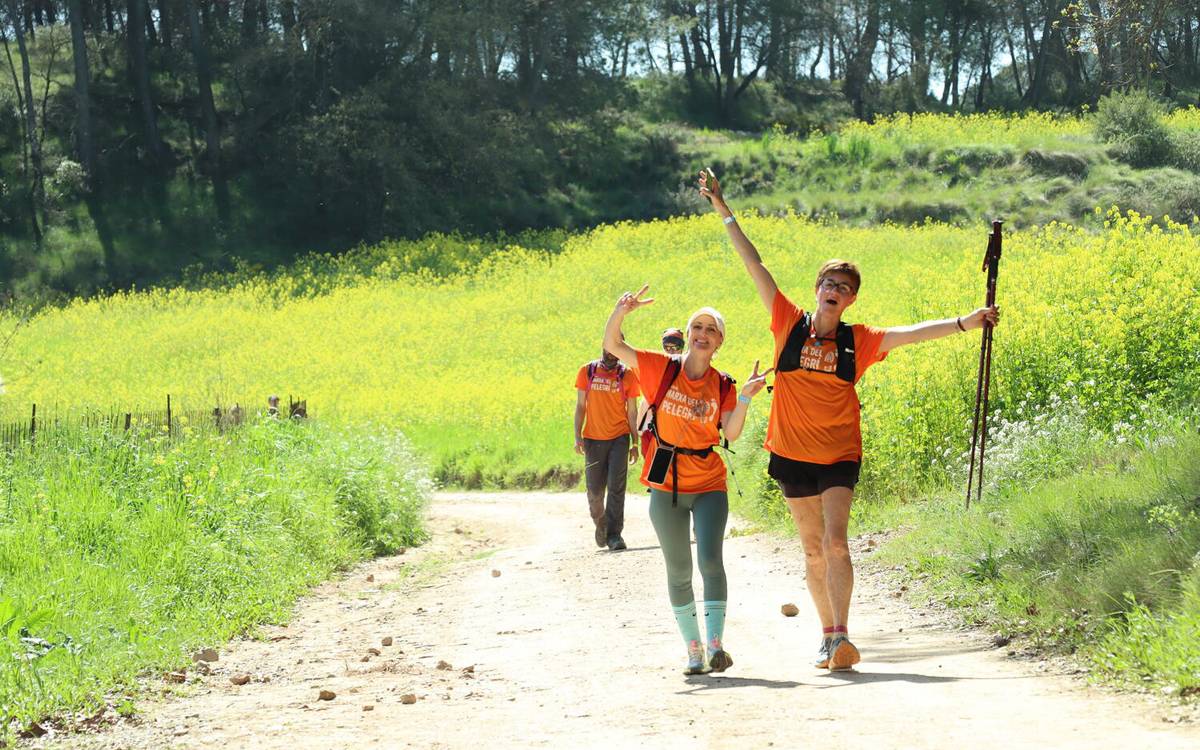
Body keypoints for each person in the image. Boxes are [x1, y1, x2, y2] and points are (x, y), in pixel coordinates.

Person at [698, 169, 1001, 672]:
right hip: (791, 454)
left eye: (845, 287)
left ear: (851, 299)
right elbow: (754, 263)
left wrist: (967, 322)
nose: (835, 290)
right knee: (813, 550)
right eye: (830, 283)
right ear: (816, 289)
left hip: (839, 454)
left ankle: (841, 636)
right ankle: (826, 636)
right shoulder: (786, 322)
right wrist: (723, 209)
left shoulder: (857, 341)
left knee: (837, 542)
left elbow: (912, 334)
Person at [604, 286, 771, 675]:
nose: (702, 333)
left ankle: (716, 647)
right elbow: (612, 343)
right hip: (666, 486)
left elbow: (729, 433)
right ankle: (694, 651)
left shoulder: (724, 384)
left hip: (709, 483)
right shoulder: (660, 367)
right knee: (678, 570)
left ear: (719, 341)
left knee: (711, 562)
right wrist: (621, 310)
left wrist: (745, 397)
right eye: (697, 326)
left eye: (711, 329)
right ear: (688, 333)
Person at [575, 344, 642, 551]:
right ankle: (601, 522)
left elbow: (632, 412)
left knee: (616, 487)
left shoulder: (627, 375)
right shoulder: (587, 371)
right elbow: (580, 406)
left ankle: (614, 535)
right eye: (609, 348)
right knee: (594, 493)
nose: (612, 354)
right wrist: (577, 436)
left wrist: (635, 442)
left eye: (616, 350)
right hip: (593, 440)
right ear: (604, 346)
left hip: (619, 439)